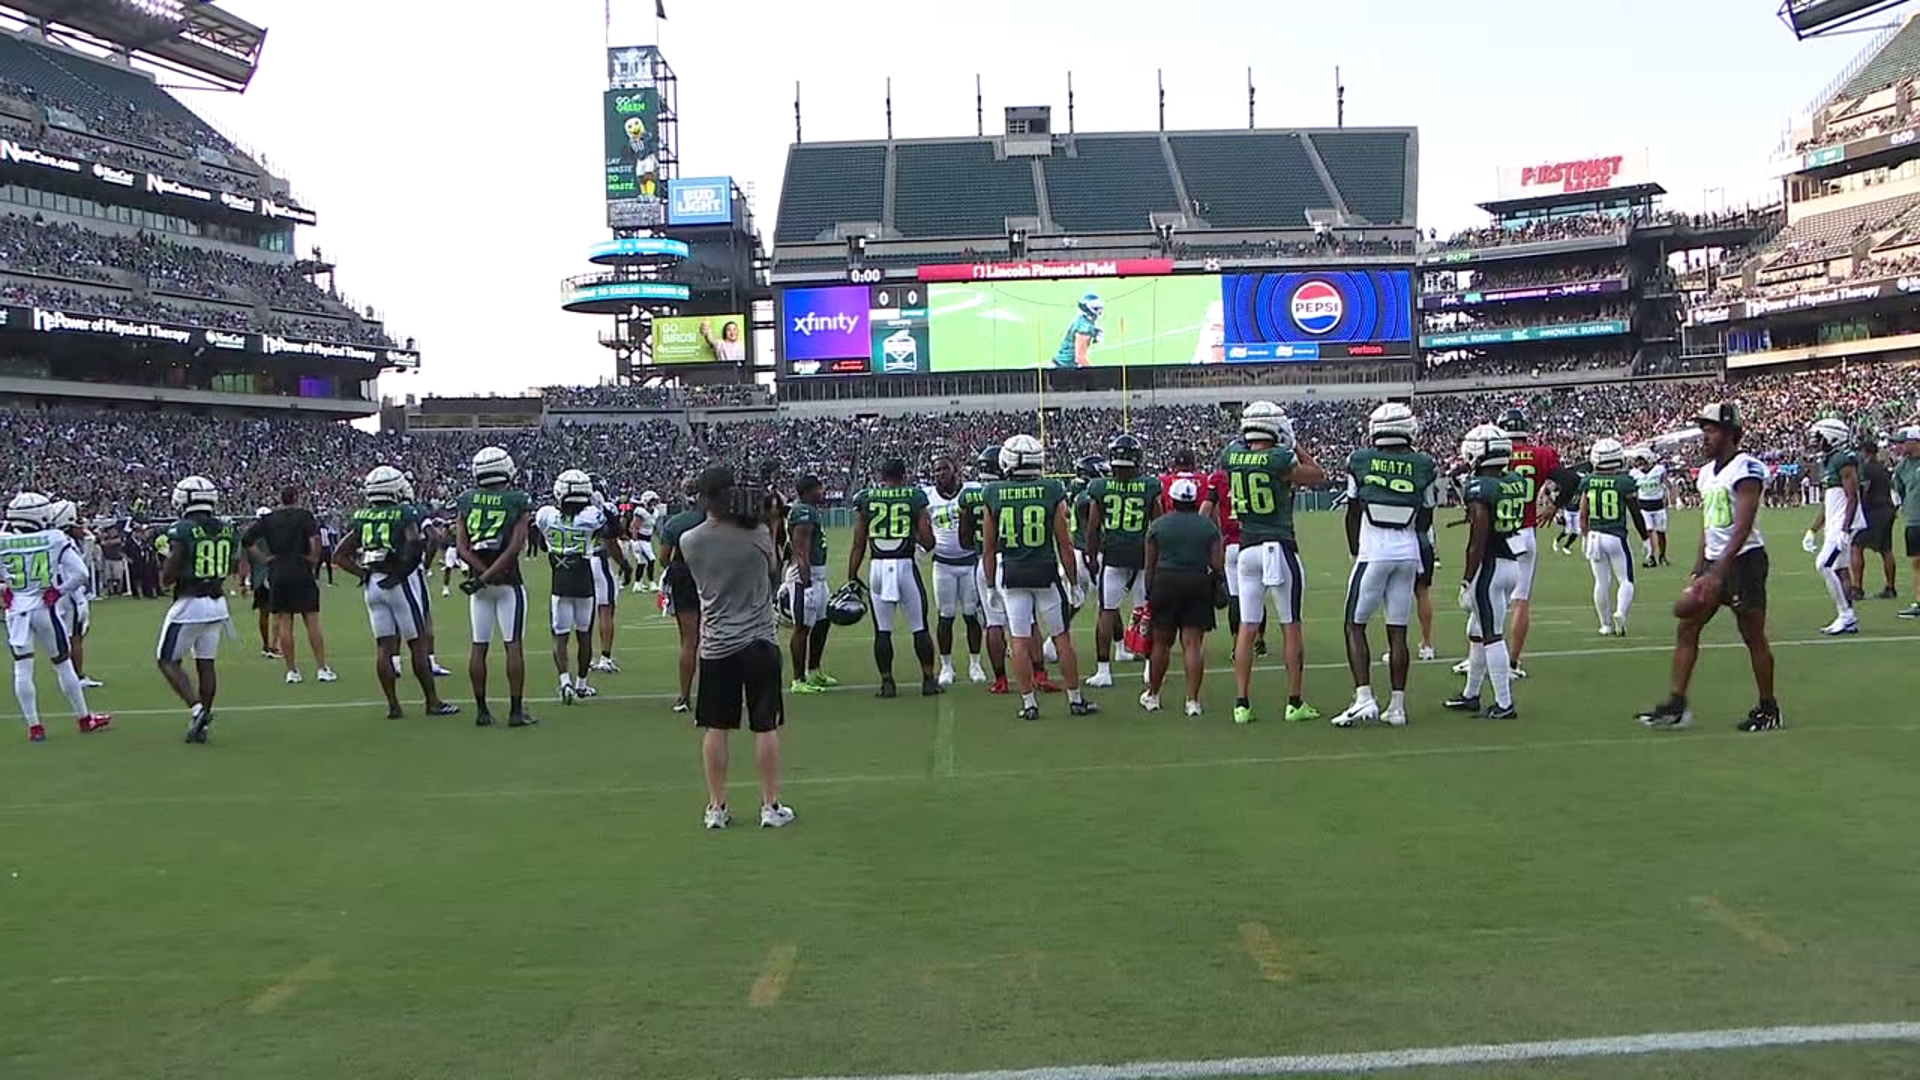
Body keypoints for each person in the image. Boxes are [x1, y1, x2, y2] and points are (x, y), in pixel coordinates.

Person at [1638, 403, 1780, 732]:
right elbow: (1709, 525)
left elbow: (1742, 526)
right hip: (1715, 563)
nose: (1705, 436)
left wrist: (1719, 571)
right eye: (1704, 429)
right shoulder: (1705, 473)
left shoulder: (1747, 469)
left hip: (1744, 562)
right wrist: (1701, 567)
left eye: (1712, 429)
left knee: (1752, 635)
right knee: (1687, 626)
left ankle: (1769, 707)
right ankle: (1676, 704)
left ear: (1731, 432)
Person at [679, 466, 794, 830]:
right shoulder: (758, 533)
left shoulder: (690, 540)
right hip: (759, 639)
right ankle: (770, 805)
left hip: (717, 644)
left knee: (716, 727)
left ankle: (716, 806)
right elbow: (773, 566)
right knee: (766, 726)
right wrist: (772, 522)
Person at [1219, 400, 1326, 725]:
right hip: (1277, 547)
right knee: (1290, 624)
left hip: (1246, 548)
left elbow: (1240, 449)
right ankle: (1294, 702)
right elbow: (1317, 474)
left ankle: (1241, 704)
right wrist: (1295, 443)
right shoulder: (1280, 458)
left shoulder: (1232, 456)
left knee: (1247, 628)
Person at [1332, 402, 1437, 729]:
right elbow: (1426, 515)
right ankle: (1398, 706)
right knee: (1398, 631)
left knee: (1354, 624)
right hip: (1407, 552)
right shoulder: (1423, 464)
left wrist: (1354, 550)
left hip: (1374, 551)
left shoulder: (1360, 460)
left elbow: (1352, 510)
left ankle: (1364, 697)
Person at [982, 433, 1096, 720]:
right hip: (1045, 573)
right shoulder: (1051, 489)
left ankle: (1029, 703)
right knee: (1061, 639)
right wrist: (1072, 582)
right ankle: (1075, 699)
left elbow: (988, 547)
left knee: (1019, 641)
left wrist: (990, 585)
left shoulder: (993, 492)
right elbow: (1064, 543)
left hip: (1012, 575)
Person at [332, 466, 458, 720]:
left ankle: (393, 705)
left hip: (374, 585)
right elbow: (414, 540)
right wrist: (403, 572)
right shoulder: (404, 512)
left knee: (384, 647)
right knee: (417, 644)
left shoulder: (363, 516)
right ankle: (432, 702)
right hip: (400, 583)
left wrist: (363, 574)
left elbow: (339, 554)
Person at [2, 492, 110, 742]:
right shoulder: (54, 538)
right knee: (62, 663)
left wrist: (5, 590)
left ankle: (34, 726)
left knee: (22, 668)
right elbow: (81, 573)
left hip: (16, 610)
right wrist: (59, 590)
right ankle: (84, 718)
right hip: (43, 607)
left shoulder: (2, 540)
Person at [1444, 424, 1526, 720]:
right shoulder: (1514, 479)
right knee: (1476, 630)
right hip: (1511, 563)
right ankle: (1471, 694)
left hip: (1489, 567)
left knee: (1491, 634)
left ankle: (1504, 703)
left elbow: (1477, 540)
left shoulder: (1481, 486)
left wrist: (1467, 578)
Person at [455, 446, 536, 728]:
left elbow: (461, 548)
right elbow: (515, 546)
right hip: (507, 582)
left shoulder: (467, 499)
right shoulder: (517, 499)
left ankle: (482, 711)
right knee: (513, 645)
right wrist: (489, 574)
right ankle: (515, 711)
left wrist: (480, 575)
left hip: (479, 586)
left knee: (479, 646)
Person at [847, 457, 941, 698]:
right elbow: (928, 541)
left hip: (878, 566)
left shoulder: (867, 498)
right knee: (919, 627)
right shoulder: (914, 496)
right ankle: (928, 680)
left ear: (882, 476)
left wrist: (852, 575)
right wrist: (919, 537)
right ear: (904, 474)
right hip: (905, 566)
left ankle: (887, 683)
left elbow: (858, 542)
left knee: (883, 630)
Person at [156, 476, 240, 744]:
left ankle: (197, 709)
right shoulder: (227, 528)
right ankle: (201, 723)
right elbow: (233, 564)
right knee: (206, 663)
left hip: (190, 602)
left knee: (167, 660)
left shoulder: (182, 529)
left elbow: (170, 573)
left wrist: (166, 568)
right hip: (218, 602)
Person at [1139, 476, 1222, 716]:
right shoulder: (1207, 526)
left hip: (1165, 583)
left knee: (1161, 643)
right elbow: (1217, 563)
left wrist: (1149, 594)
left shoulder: (1158, 526)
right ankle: (1192, 702)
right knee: (1192, 644)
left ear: (1172, 500)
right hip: (1197, 582)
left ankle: (1153, 696)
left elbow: (1150, 564)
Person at [1083, 433, 1160, 688]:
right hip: (1142, 557)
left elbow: (1093, 528)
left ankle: (1103, 670)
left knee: (1106, 612)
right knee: (1147, 613)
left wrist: (1092, 557)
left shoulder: (1100, 487)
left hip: (1114, 556)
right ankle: (1149, 667)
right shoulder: (1149, 485)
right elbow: (1157, 526)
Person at [243, 485, 334, 684]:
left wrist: (265, 559)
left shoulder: (268, 520)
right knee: (311, 620)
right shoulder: (304, 516)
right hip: (300, 568)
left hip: (278, 570)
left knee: (285, 621)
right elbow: (315, 539)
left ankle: (292, 670)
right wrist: (313, 559)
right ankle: (321, 668)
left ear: (281, 499)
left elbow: (247, 540)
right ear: (296, 497)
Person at [1498, 407, 1560, 678]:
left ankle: (1479, 657)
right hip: (1526, 532)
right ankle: (1512, 663)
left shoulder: (1496, 452)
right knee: (1520, 600)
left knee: (1488, 598)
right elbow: (1569, 480)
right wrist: (1554, 506)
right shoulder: (1542, 454)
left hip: (1499, 531)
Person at [924, 455, 987, 687]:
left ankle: (975, 663)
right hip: (943, 564)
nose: (939, 474)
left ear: (955, 470)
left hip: (970, 562)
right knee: (945, 617)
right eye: (936, 470)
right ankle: (946, 665)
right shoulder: (928, 496)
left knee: (971, 616)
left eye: (943, 469)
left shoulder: (972, 491)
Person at [1579, 438, 1649, 636]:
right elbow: (1635, 512)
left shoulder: (1588, 481)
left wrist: (1585, 536)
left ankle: (1605, 624)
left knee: (1601, 582)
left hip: (1594, 535)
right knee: (1625, 580)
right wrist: (1645, 538)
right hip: (1615, 535)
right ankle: (1620, 612)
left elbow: (1583, 514)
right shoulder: (1625, 482)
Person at [1804, 417, 1864, 636]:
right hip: (1835, 521)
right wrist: (1813, 529)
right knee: (1840, 569)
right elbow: (1829, 501)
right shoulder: (1829, 461)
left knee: (1823, 565)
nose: (1815, 441)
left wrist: (1845, 530)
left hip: (1843, 523)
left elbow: (1852, 497)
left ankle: (1845, 614)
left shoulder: (1843, 460)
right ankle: (1849, 618)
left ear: (1831, 437)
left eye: (1819, 437)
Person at [960, 446, 1011, 694]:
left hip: (983, 561)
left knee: (993, 623)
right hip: (1011, 558)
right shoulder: (1009, 493)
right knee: (1026, 621)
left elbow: (964, 540)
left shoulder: (970, 497)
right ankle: (1037, 672)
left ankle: (1000, 678)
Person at [782, 475, 837, 693]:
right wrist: (806, 583)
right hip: (805, 577)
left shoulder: (810, 511)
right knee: (802, 627)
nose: (823, 491)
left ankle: (814, 670)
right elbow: (801, 550)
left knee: (823, 622)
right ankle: (798, 679)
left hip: (818, 576)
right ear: (808, 491)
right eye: (819, 488)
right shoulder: (803, 512)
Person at [658, 482, 707, 713]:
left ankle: (684, 697)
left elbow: (664, 558)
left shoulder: (674, 523)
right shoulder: (715, 520)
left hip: (683, 577)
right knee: (718, 638)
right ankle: (719, 693)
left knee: (689, 641)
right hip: (713, 576)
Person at [47, 500, 102, 689]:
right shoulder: (65, 541)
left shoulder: (53, 540)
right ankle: (77, 676)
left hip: (59, 595)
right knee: (75, 637)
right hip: (69, 595)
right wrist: (89, 539)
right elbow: (81, 568)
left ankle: (71, 674)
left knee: (68, 636)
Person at [587, 478, 632, 675]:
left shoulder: (574, 510)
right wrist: (624, 564)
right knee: (606, 610)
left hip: (580, 562)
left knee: (585, 613)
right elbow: (611, 541)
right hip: (599, 560)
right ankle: (605, 658)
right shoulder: (604, 510)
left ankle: (586, 657)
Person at [1851, 437, 1898, 600]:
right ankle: (1890, 587)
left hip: (1873, 512)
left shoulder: (1866, 469)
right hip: (1887, 509)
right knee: (1886, 549)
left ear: (1865, 452)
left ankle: (1857, 588)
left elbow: (1865, 489)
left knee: (1856, 546)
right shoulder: (1883, 468)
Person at [240, 508, 277, 659]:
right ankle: (274, 646)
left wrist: (242, 583)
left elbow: (243, 561)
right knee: (280, 613)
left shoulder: (250, 535)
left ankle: (266, 645)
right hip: (275, 575)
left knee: (264, 614)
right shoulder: (276, 533)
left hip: (259, 579)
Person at [1894, 427, 1920, 619]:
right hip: (1914, 519)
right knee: (1917, 562)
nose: (1899, 446)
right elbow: (1900, 490)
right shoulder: (1902, 467)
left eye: (1902, 442)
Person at [1631, 451, 1672, 567]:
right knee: (1649, 531)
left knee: (1661, 532)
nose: (1640, 463)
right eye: (1638, 461)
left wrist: (1674, 498)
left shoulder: (1659, 470)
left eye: (1642, 460)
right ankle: (1651, 556)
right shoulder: (1634, 473)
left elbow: (1668, 484)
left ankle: (1662, 556)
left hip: (1658, 506)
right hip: (1644, 507)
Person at [1052, 293, 1103, 369]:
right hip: (1064, 368)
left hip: (1063, 366)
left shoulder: (1082, 321)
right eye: (1097, 309)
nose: (1100, 312)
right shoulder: (1085, 328)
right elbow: (1080, 358)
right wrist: (1094, 374)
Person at [628, 490, 662, 593]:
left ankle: (637, 585)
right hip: (640, 540)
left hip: (647, 540)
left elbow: (654, 527)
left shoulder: (655, 512)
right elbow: (633, 527)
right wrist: (635, 542)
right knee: (651, 559)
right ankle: (652, 583)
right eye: (652, 501)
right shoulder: (640, 512)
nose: (654, 503)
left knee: (641, 563)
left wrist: (659, 537)